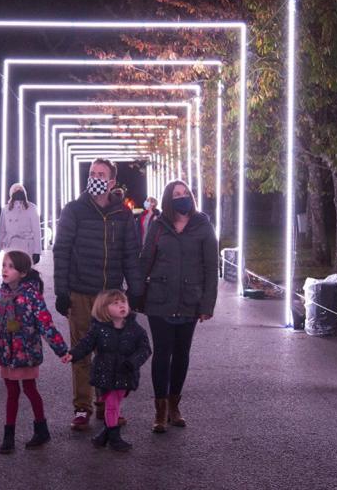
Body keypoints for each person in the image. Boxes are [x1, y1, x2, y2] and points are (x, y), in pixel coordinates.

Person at [53, 158, 144, 430]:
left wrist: (136, 290)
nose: (95, 177)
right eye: (92, 173)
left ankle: (107, 405)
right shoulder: (74, 210)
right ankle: (82, 408)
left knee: (111, 352)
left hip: (110, 295)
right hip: (80, 291)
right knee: (81, 353)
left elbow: (131, 254)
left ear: (112, 181)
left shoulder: (123, 215)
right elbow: (62, 250)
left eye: (101, 174)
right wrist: (61, 291)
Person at [139, 179, 218, 433]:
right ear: (168, 199)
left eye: (185, 193)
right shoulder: (159, 225)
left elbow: (210, 267)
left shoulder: (203, 225)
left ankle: (175, 406)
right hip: (159, 300)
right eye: (176, 194)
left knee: (182, 354)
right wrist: (135, 296)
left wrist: (207, 304)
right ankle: (160, 410)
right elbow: (145, 260)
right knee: (162, 353)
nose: (182, 197)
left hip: (189, 300)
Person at [0, 251, 69, 454]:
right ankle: (8, 435)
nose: (5, 270)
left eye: (10, 266)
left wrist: (61, 350)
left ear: (22, 272)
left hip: (26, 354)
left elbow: (46, 324)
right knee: (11, 393)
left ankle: (41, 428)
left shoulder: (31, 297)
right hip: (5, 354)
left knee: (30, 389)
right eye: (3, 265)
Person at [62, 290, 151, 451]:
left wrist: (133, 362)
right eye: (115, 303)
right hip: (105, 374)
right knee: (112, 405)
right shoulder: (98, 329)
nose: (121, 305)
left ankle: (103, 435)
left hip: (125, 373)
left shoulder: (135, 329)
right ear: (103, 309)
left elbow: (145, 349)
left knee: (116, 402)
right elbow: (85, 345)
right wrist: (72, 355)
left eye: (123, 302)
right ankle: (114, 437)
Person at [0, 182, 42, 264]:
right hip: (10, 247)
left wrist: (37, 251)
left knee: (25, 273)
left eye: (20, 190)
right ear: (11, 193)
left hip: (27, 247)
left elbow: (36, 231)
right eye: (15, 190)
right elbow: (2, 230)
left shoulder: (32, 208)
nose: (18, 192)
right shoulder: (5, 209)